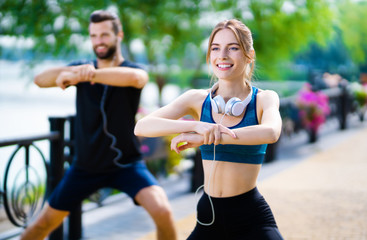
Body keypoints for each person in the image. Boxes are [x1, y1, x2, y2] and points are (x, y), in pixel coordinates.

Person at [21, 10, 177, 240]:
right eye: (93, 36)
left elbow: (136, 79)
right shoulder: (81, 68)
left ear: (119, 35)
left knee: (162, 210)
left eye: (104, 35)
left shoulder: (132, 69)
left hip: (127, 165)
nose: (98, 41)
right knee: (40, 225)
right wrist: (76, 72)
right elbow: (39, 79)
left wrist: (89, 75)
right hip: (85, 167)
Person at [135, 19, 284, 239]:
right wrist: (196, 126)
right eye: (215, 48)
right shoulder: (197, 99)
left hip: (250, 216)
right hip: (209, 216)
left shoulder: (264, 99)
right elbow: (142, 127)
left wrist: (208, 138)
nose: (222, 55)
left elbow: (271, 132)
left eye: (232, 48)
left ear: (249, 55)